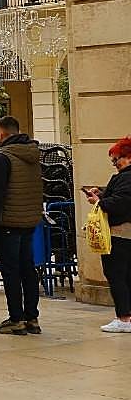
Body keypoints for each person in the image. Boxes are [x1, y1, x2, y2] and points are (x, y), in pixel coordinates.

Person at [0, 115, 43, 336]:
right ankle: (32, 317)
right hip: (28, 221)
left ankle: (16, 318)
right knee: (28, 269)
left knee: (10, 271)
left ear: (2, 134)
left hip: (7, 221)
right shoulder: (33, 155)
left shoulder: (2, 158)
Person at [84, 137, 131, 333]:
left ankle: (124, 317)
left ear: (128, 157)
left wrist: (99, 201)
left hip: (119, 235)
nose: (114, 164)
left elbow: (121, 203)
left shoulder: (125, 177)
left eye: (116, 159)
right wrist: (103, 194)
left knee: (116, 275)